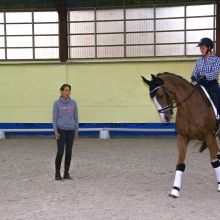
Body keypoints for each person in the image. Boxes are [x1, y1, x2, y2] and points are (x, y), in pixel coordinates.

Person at [52, 84, 79, 181]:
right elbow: (54, 119)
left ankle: (66, 173)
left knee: (69, 152)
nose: (67, 92)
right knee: (60, 152)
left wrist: (76, 131)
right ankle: (57, 174)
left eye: (69, 90)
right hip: (61, 130)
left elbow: (76, 118)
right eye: (65, 90)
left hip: (71, 130)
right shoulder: (56, 104)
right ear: (61, 91)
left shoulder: (73, 103)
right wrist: (55, 131)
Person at [191, 37, 220, 114]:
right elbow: (195, 71)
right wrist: (193, 76)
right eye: (200, 48)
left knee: (218, 98)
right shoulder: (199, 60)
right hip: (200, 85)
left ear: (209, 48)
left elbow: (214, 73)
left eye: (203, 48)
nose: (201, 50)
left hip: (212, 85)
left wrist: (204, 77)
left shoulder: (216, 60)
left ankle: (218, 117)